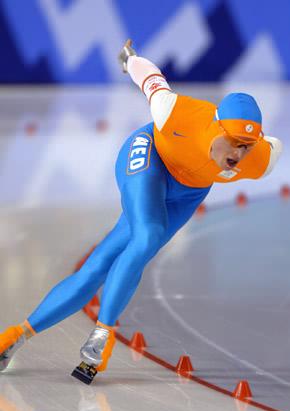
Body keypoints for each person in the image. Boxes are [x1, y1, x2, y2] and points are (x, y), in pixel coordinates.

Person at [0, 40, 283, 375]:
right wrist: (130, 59)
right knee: (148, 236)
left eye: (248, 145)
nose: (240, 153)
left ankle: (16, 336)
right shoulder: (175, 112)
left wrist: (253, 149)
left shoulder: (261, 159)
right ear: (216, 127)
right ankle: (102, 337)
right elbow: (152, 79)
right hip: (150, 159)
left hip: (187, 193)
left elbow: (269, 148)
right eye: (235, 141)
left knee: (100, 264)